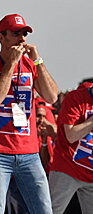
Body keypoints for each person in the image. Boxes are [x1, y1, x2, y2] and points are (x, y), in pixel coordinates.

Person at [0, 14, 58, 214]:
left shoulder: (31, 65)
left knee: (44, 209)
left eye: (24, 34)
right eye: (16, 34)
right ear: (1, 38)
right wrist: (10, 64)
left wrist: (37, 60)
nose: (22, 39)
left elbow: (51, 96)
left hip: (30, 153)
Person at [49, 85, 93, 213]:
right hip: (68, 167)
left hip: (90, 172)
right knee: (51, 210)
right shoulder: (76, 97)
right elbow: (71, 135)